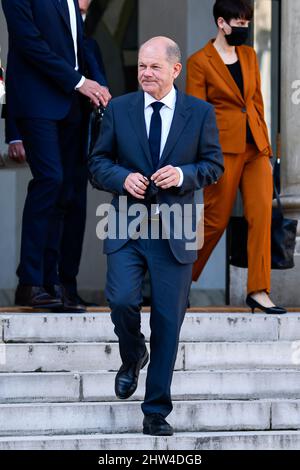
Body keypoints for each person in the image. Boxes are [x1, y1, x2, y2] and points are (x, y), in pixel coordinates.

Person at [88, 36, 224, 435]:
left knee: (167, 322)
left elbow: (213, 165)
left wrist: (183, 175)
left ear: (175, 70)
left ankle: (155, 410)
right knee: (122, 300)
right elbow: (97, 163)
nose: (145, 73)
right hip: (126, 226)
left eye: (154, 67)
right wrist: (122, 177)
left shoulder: (199, 114)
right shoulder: (119, 109)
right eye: (142, 67)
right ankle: (132, 355)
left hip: (176, 231)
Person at [2, 0, 111, 310]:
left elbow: (76, 50)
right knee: (50, 180)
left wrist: (92, 87)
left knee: (66, 193)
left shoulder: (71, 3)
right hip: (37, 103)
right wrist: (80, 83)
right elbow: (29, 44)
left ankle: (53, 284)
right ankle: (30, 282)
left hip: (70, 107)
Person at [186, 0, 286, 314]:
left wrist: (267, 149)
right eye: (238, 23)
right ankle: (178, 280)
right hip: (221, 150)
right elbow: (196, 113)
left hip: (255, 149)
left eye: (246, 23)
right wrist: (205, 156)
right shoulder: (199, 62)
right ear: (221, 23)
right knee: (215, 220)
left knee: (262, 217)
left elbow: (256, 103)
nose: (243, 29)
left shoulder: (249, 55)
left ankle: (258, 290)